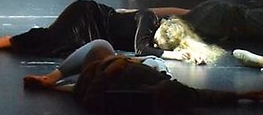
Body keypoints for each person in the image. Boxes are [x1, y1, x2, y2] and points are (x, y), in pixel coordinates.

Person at [22, 39, 263, 113]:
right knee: (103, 47)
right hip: (130, 74)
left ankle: (53, 76)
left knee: (100, 46)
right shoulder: (161, 85)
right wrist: (241, 95)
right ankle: (53, 77)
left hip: (111, 73)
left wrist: (108, 71)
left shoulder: (98, 77)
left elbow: (88, 99)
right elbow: (201, 96)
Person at [0, 0, 223, 64]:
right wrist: (173, 56)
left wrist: (190, 53)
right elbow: (141, 50)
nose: (156, 46)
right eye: (158, 44)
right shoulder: (148, 19)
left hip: (99, 33)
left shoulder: (158, 32)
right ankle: (9, 40)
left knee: (65, 48)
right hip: (87, 16)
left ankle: (22, 40)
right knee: (53, 39)